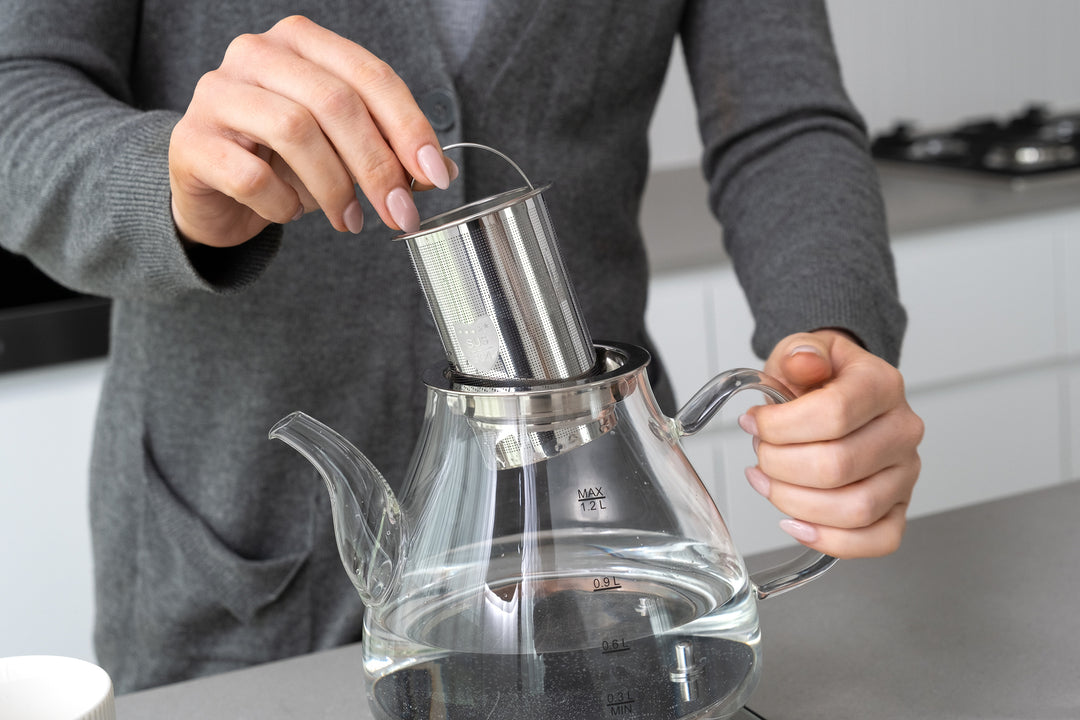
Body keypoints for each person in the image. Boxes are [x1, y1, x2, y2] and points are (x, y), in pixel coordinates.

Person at [0, 0, 923, 692]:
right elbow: (16, 96)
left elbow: (781, 116)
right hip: (232, 556)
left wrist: (830, 339)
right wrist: (168, 176)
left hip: (597, 546)